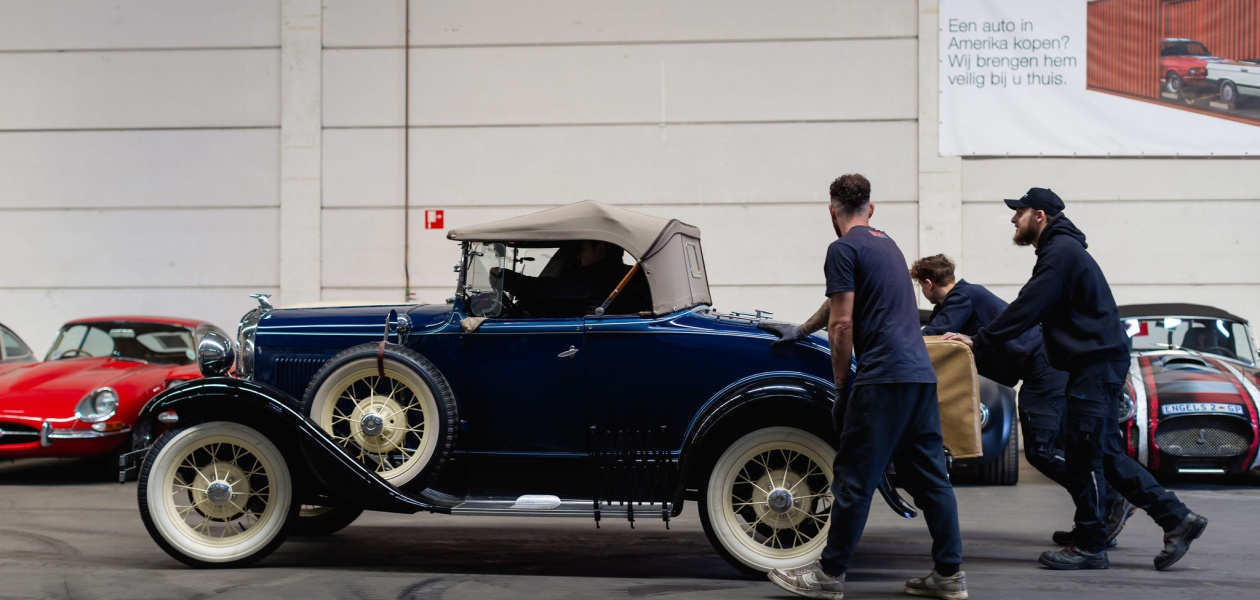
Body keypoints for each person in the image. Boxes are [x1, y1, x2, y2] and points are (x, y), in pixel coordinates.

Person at [763, 254, 1134, 549]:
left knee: (1039, 450)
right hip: (1044, 368)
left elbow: (928, 338)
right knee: (1063, 446)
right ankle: (1098, 514)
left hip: (1044, 369)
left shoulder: (960, 298)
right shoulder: (966, 295)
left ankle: (1107, 501)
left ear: (927, 284)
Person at [943, 187, 1207, 571]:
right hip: (1094, 364)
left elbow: (1028, 307)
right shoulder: (1061, 251)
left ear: (1040, 216)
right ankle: (1174, 519)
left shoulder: (1059, 255)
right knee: (1104, 453)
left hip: (1095, 365)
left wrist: (979, 339)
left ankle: (1091, 544)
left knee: (1084, 455)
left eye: (1020, 212)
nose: (1014, 219)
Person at [767, 174, 966, 600]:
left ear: (831, 210)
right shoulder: (887, 244)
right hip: (919, 378)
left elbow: (842, 322)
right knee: (932, 481)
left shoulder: (841, 247)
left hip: (883, 380)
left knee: (854, 480)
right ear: (870, 209)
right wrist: (803, 329)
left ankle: (829, 576)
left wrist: (841, 389)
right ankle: (950, 574)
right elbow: (842, 300)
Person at [491, 240, 630, 317]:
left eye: (583, 248)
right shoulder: (617, 273)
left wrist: (505, 277)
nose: (578, 255)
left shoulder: (598, 276)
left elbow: (545, 290)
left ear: (600, 249)